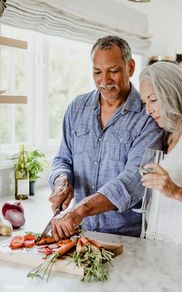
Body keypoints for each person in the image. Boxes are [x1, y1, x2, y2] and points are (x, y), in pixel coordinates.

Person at [49, 35, 163, 241]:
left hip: (126, 238)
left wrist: (80, 210)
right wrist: (61, 181)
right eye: (97, 72)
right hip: (80, 232)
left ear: (130, 67)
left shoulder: (148, 115)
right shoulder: (77, 108)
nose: (104, 81)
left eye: (113, 71)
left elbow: (133, 180)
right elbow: (63, 159)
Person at [139, 61, 182, 246]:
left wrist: (176, 191)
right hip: (162, 247)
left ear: (173, 93)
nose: (148, 110)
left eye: (153, 100)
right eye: (145, 103)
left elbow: (172, 192)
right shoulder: (169, 135)